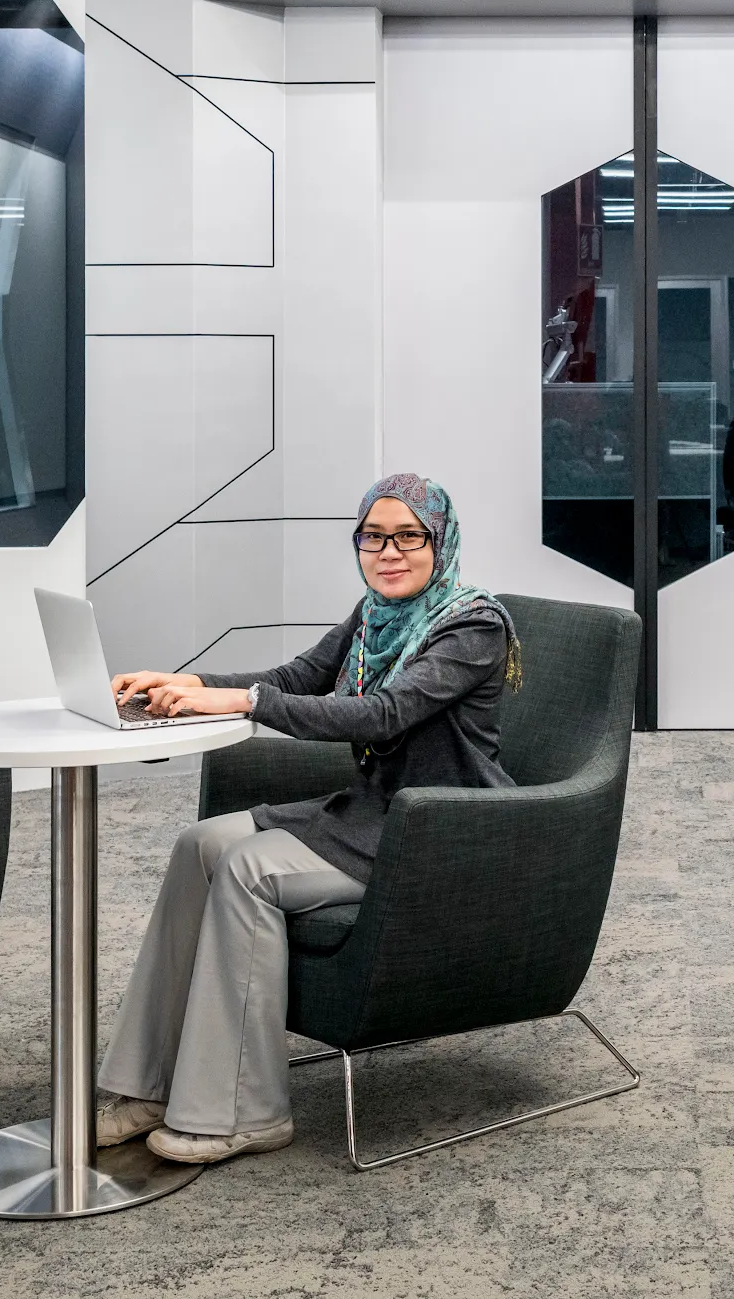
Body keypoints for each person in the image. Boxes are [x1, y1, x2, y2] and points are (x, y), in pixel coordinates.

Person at [92, 472, 518, 1164]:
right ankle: (151, 1084)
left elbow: (382, 713)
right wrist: (193, 684)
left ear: (440, 542)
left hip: (439, 828)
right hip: (371, 815)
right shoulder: (373, 617)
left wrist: (241, 703)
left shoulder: (472, 625)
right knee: (198, 844)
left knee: (248, 867)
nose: (388, 551)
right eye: (372, 536)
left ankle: (245, 1111)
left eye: (408, 535)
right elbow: (296, 677)